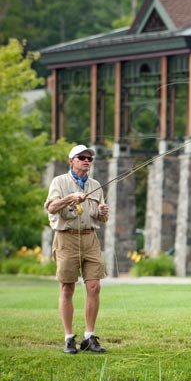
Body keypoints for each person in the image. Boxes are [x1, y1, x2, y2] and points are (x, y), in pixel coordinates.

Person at [44, 144, 109, 354]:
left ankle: (89, 337)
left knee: (94, 287)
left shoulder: (96, 184)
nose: (87, 161)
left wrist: (103, 212)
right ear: (71, 160)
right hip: (66, 239)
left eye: (90, 158)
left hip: (90, 238)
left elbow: (103, 218)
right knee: (67, 288)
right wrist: (71, 197)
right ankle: (69, 338)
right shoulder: (59, 182)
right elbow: (51, 207)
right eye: (82, 157)